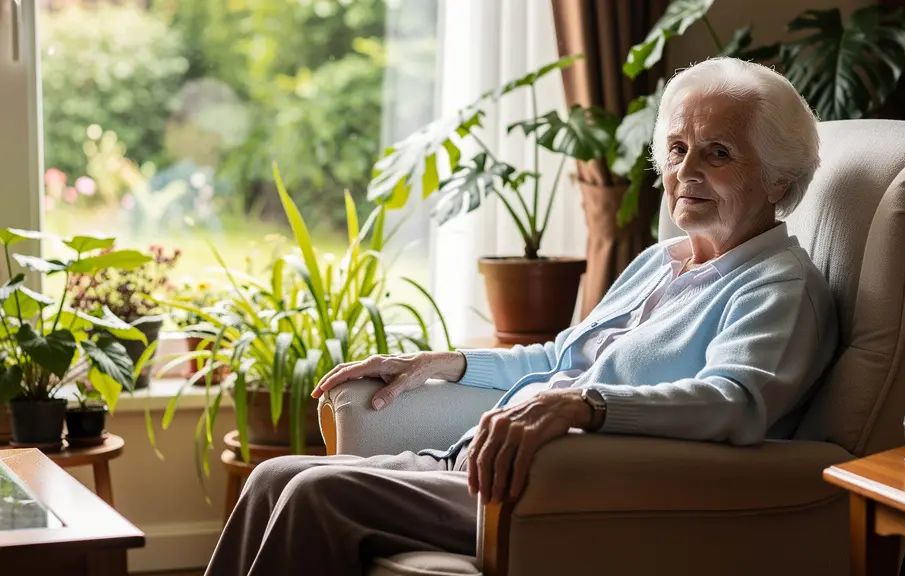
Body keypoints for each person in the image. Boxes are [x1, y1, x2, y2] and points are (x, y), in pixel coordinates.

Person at [205, 57, 837, 576]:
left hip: (570, 492)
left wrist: (586, 406)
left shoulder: (779, 285)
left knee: (317, 496)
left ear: (780, 180)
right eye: (676, 148)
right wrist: (444, 364)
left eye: (717, 152)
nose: (685, 172)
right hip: (479, 460)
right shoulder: (660, 259)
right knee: (271, 476)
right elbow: (562, 356)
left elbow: (735, 400)